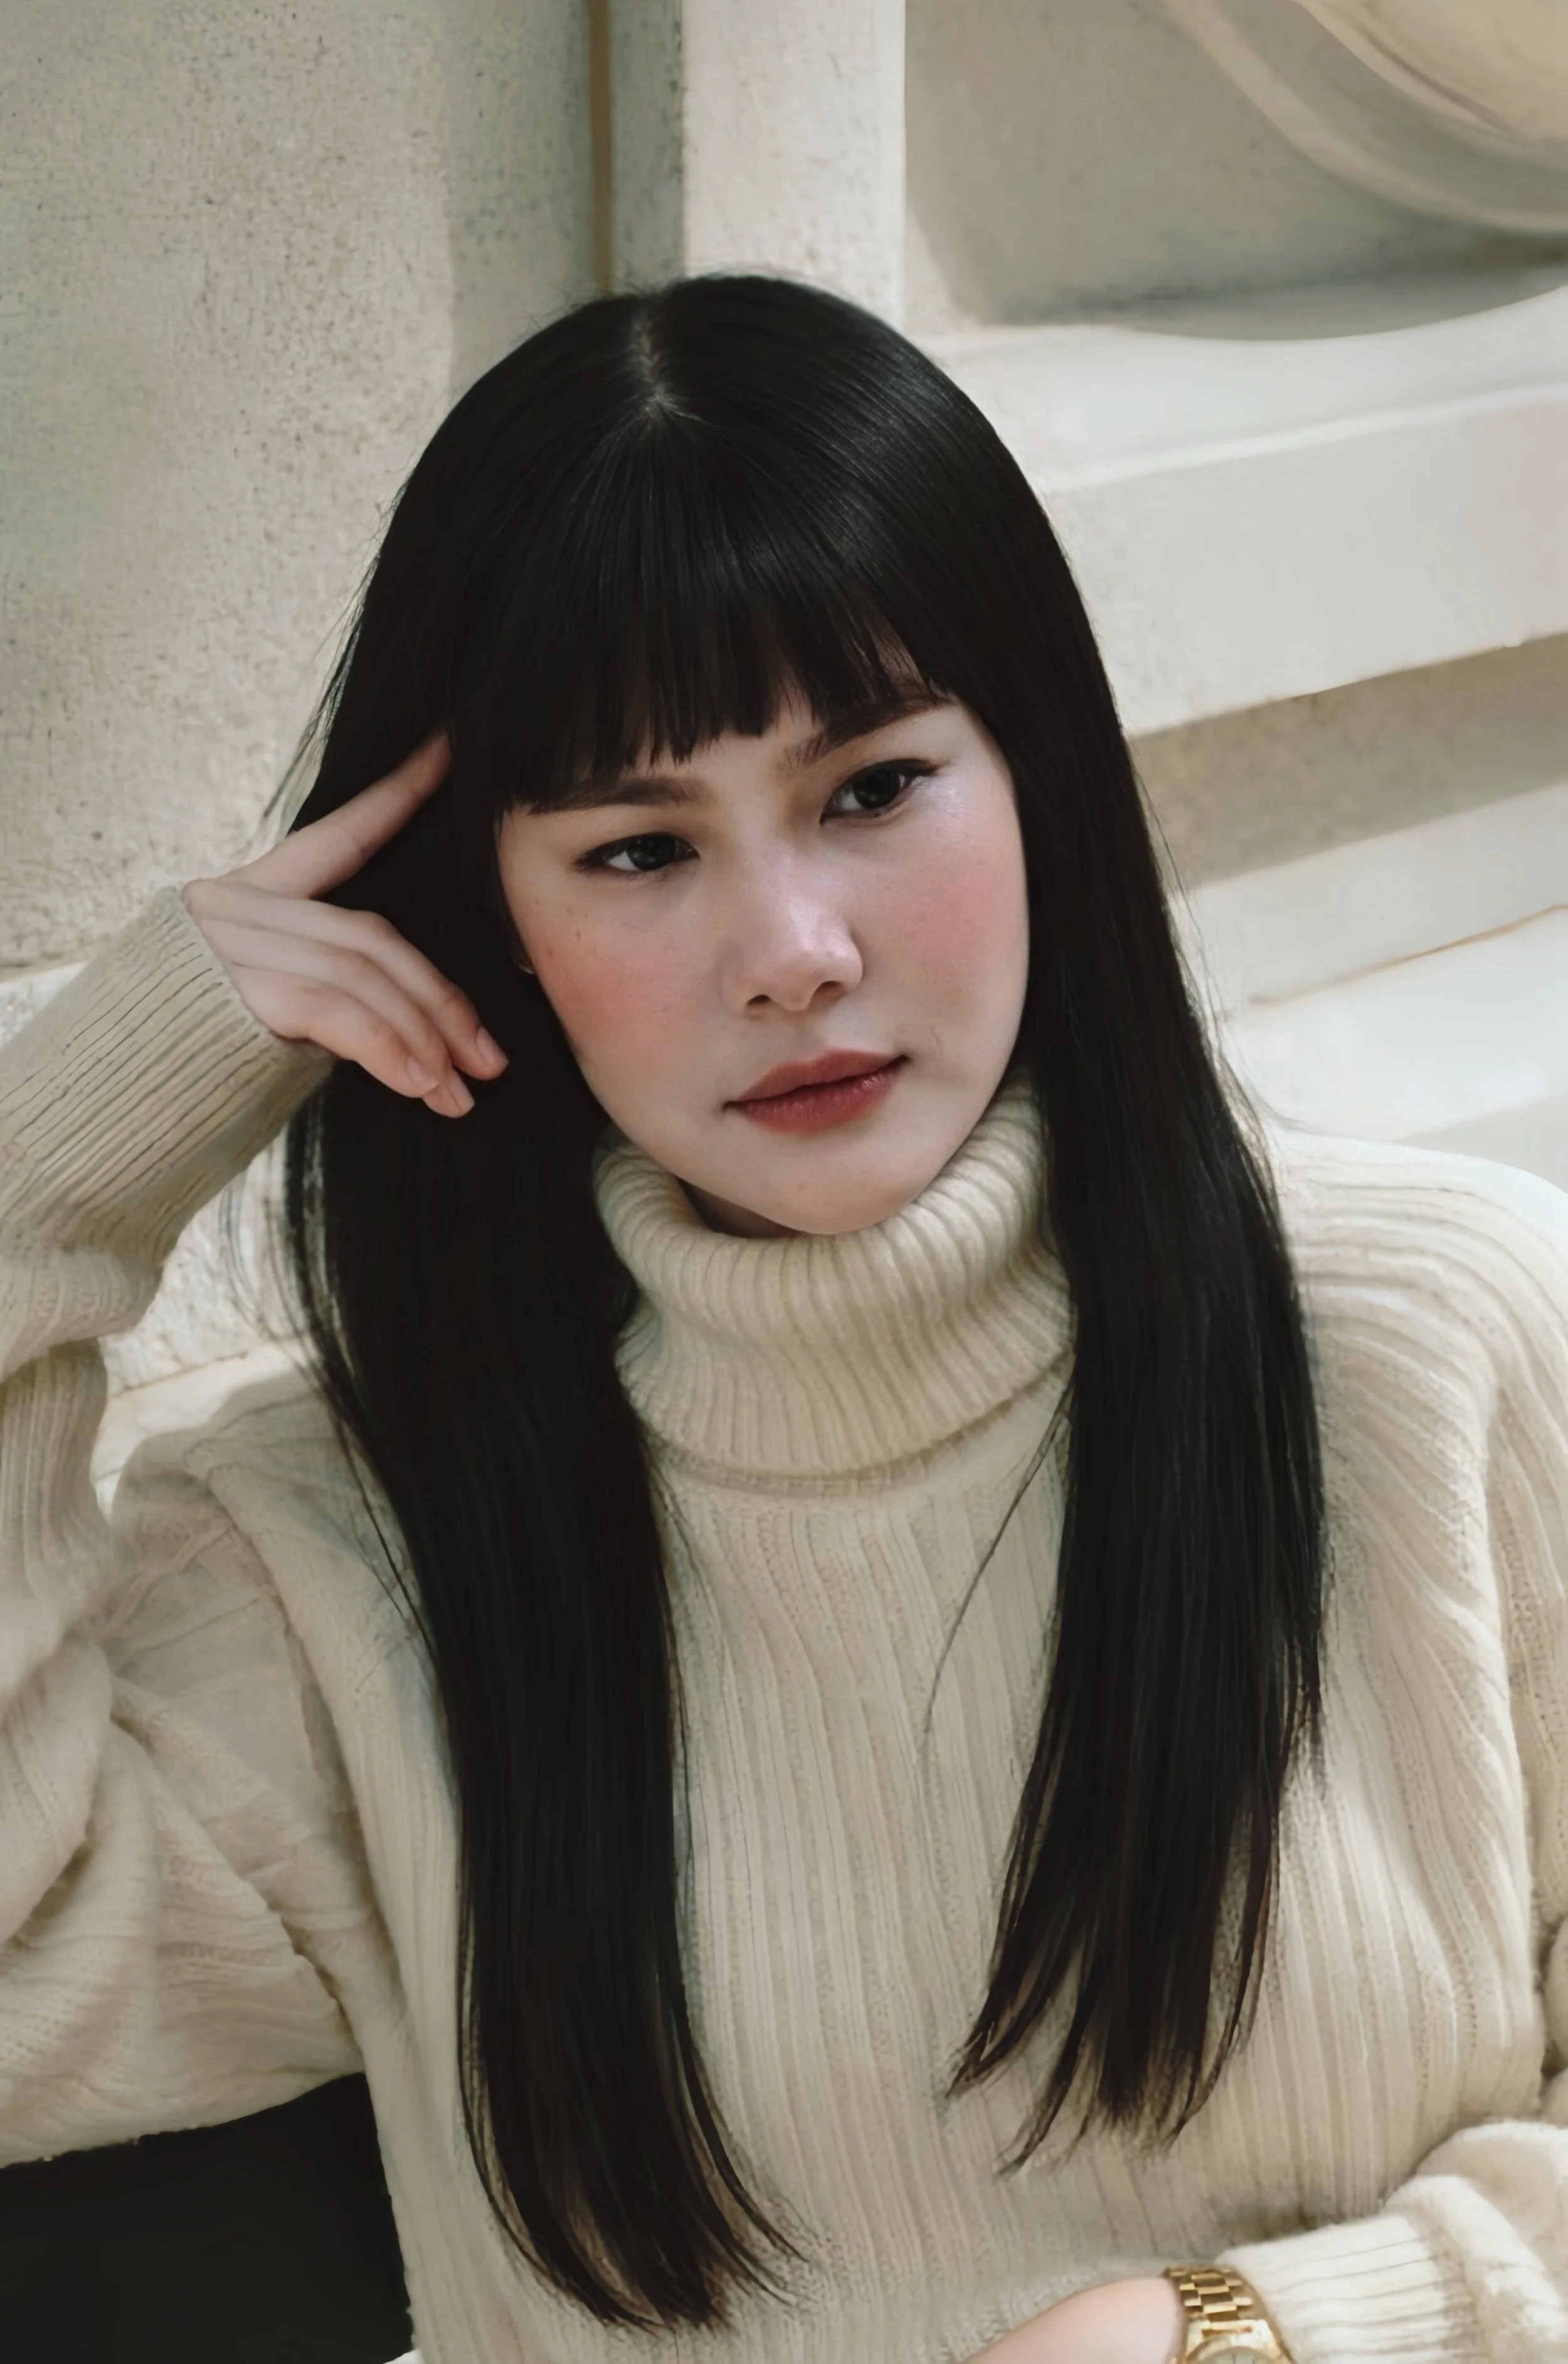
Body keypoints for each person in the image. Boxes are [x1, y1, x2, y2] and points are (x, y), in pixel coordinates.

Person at [1, 273, 1565, 2364]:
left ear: (1041, 785)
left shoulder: (1443, 1337)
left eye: (870, 788)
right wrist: (59, 1163)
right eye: (639, 847)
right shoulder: (343, 1535)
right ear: (499, 928)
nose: (791, 953)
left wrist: (1242, 2334)